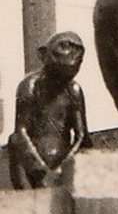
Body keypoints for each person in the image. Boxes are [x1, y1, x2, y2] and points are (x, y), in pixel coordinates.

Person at [9, 31, 91, 189]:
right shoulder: (30, 86)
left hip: (62, 157)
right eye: (65, 47)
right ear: (44, 54)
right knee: (14, 141)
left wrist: (64, 167)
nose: (73, 55)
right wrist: (40, 169)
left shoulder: (73, 90)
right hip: (35, 161)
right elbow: (21, 132)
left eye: (77, 51)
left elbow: (81, 136)